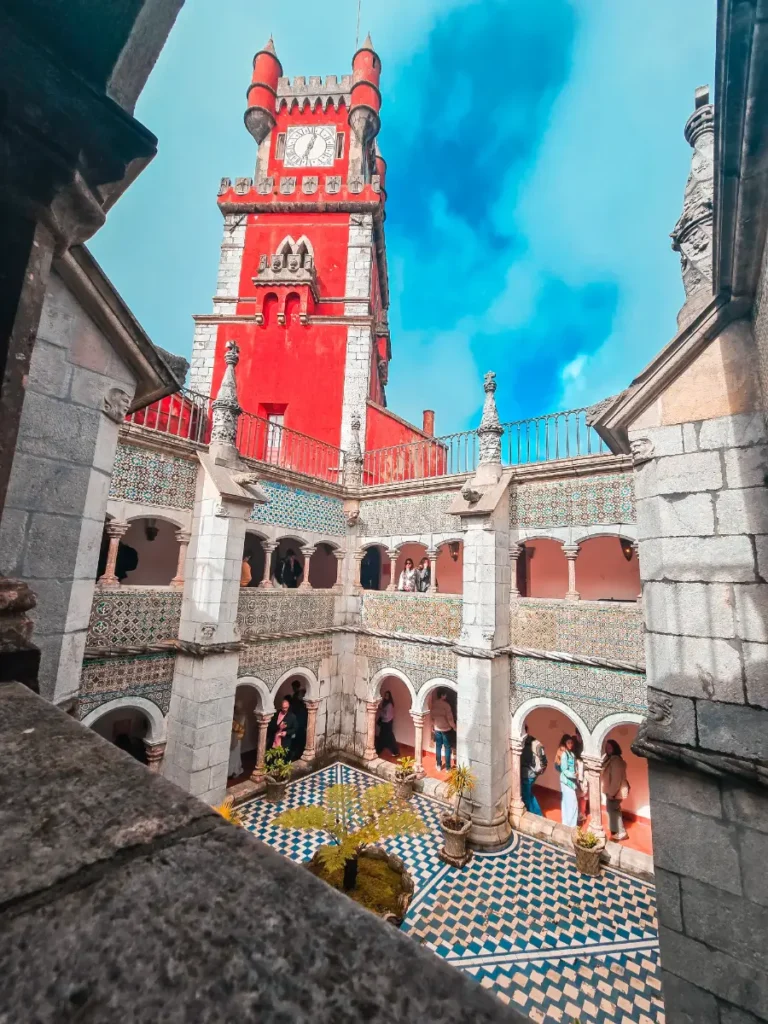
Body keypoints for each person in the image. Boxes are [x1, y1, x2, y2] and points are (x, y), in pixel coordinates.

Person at [602, 739, 630, 840]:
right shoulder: (611, 759)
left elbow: (616, 779)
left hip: (615, 792)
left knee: (612, 811)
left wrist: (611, 793)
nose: (608, 749)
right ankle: (619, 831)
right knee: (615, 811)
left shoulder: (616, 761)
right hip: (613, 791)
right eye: (607, 747)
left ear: (615, 748)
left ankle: (621, 832)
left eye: (610, 747)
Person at [520, 722, 547, 815]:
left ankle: (537, 815)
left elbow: (525, 760)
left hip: (527, 774)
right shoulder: (534, 741)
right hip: (534, 773)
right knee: (528, 794)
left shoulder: (526, 744)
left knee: (527, 796)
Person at [556, 734, 579, 827]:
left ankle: (567, 823)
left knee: (567, 802)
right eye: (568, 743)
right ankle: (571, 824)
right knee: (572, 803)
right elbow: (564, 769)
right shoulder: (565, 755)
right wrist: (573, 775)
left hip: (570, 781)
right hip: (566, 781)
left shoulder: (571, 754)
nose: (570, 744)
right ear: (565, 743)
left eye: (571, 743)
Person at [430, 689, 456, 771]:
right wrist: (454, 726)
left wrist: (433, 725)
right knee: (447, 748)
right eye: (445, 694)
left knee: (438, 747)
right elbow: (450, 718)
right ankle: (448, 767)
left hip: (437, 728)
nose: (446, 696)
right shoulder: (446, 705)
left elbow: (432, 716)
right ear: (442, 695)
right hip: (446, 729)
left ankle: (438, 765)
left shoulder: (434, 704)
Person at [375, 689, 400, 755]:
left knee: (389, 737)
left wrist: (381, 712)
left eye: (387, 696)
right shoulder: (385, 704)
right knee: (383, 737)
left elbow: (386, 716)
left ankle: (395, 752)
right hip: (385, 723)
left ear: (389, 697)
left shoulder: (389, 705)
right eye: (385, 695)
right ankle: (379, 751)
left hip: (387, 723)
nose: (386, 697)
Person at [289, 681, 308, 760]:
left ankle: (298, 753)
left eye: (293, 687)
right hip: (299, 719)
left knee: (299, 737)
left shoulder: (298, 696)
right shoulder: (296, 696)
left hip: (300, 719)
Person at [228, 703, 246, 778]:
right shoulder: (232, 716)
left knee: (235, 754)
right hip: (232, 736)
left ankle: (235, 770)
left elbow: (240, 727)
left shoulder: (242, 716)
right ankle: (230, 771)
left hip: (237, 737)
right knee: (231, 754)